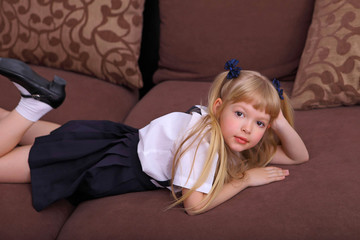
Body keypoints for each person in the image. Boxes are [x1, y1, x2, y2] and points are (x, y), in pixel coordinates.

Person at [0, 58, 308, 215]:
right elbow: (195, 205)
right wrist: (245, 180)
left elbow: (298, 156)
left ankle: (27, 108)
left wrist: (277, 119)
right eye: (240, 114)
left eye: (259, 123)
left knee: (13, 125)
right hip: (101, 163)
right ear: (218, 107)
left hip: (109, 139)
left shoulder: (229, 135)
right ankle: (34, 103)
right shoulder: (201, 143)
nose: (247, 129)